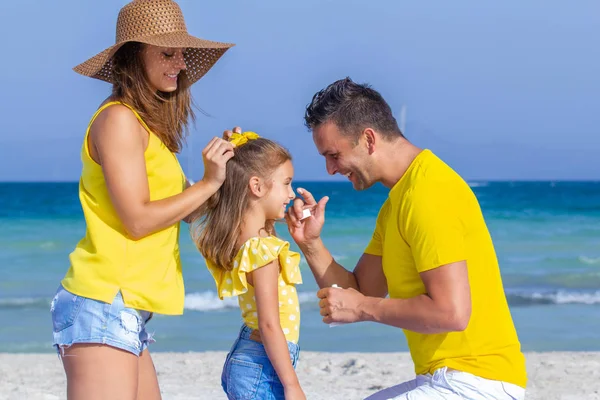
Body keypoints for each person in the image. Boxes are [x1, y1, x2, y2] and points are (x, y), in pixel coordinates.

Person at [285, 77, 527, 399]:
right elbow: (359, 290)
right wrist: (311, 244)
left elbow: (451, 313)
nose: (330, 169)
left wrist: (363, 309)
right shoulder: (398, 202)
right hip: (443, 379)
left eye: (334, 155)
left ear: (368, 139)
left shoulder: (428, 193)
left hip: (477, 383)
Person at [49, 1, 235, 399]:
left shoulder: (144, 128)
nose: (180, 63)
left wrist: (228, 167)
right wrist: (205, 183)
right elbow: (137, 220)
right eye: (167, 53)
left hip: (124, 306)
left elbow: (190, 211)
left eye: (182, 53)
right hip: (104, 298)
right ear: (134, 57)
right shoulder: (117, 121)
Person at [191, 132, 306, 400]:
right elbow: (269, 325)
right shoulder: (262, 251)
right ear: (256, 186)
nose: (291, 193)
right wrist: (292, 384)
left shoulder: (251, 241)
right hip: (262, 364)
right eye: (286, 184)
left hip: (252, 358)